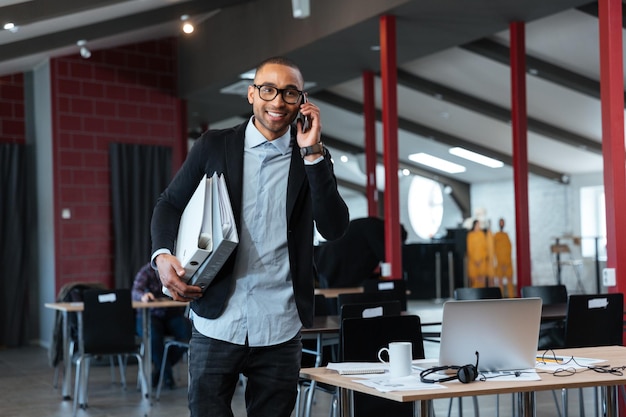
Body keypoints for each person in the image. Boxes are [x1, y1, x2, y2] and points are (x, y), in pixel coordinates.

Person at [150, 56, 349, 417]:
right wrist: (162, 256)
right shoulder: (215, 145)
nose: (277, 102)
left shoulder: (309, 156)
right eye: (268, 90)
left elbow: (333, 227)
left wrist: (313, 153)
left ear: (302, 101)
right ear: (251, 94)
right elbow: (169, 203)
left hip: (281, 323)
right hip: (217, 318)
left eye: (290, 93)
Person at [131, 262, 191, 389]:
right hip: (149, 314)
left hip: (170, 314)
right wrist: (143, 296)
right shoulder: (146, 271)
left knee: (188, 333)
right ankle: (167, 375)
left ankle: (160, 370)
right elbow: (135, 291)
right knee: (153, 336)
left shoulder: (177, 271)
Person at [315, 216, 407, 288]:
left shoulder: (373, 224)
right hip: (331, 265)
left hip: (327, 260)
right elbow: (386, 257)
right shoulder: (377, 230)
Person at [493, 217, 514, 297]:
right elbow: (495, 250)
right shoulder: (496, 236)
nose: (502, 224)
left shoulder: (506, 235)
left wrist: (507, 263)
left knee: (509, 281)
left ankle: (511, 298)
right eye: (501, 223)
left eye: (503, 223)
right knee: (500, 281)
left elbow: (509, 249)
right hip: (499, 262)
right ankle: (501, 299)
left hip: (508, 262)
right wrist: (500, 262)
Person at [466, 219, 488, 288]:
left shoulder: (482, 234)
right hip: (473, 261)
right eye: (477, 224)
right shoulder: (470, 235)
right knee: (474, 280)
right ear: (474, 225)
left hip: (482, 261)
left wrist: (481, 259)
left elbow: (485, 248)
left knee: (482, 280)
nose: (479, 226)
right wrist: (475, 260)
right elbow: (469, 249)